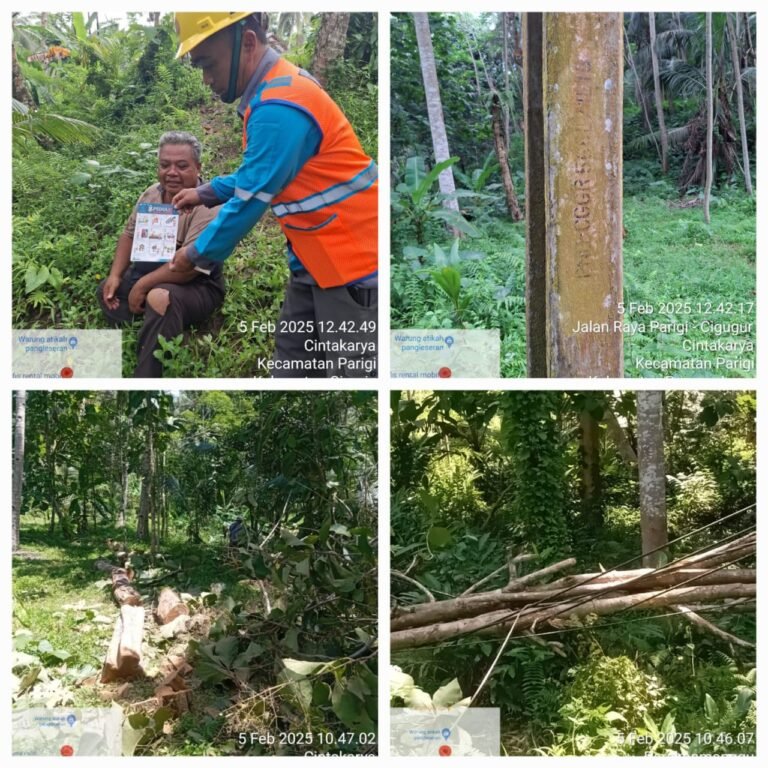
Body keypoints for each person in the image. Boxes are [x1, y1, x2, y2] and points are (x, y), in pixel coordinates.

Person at [170, 12, 378, 378]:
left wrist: (194, 255)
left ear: (247, 42)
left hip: (352, 271)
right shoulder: (276, 90)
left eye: (208, 64)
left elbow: (250, 198)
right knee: (291, 372)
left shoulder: (280, 103)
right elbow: (263, 174)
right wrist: (203, 192)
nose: (206, 80)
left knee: (352, 378)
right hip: (312, 265)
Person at [98, 131, 224, 377]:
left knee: (159, 297)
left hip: (195, 284)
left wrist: (142, 286)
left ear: (198, 167)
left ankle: (146, 373)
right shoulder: (152, 193)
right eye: (165, 165)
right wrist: (115, 275)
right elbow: (129, 234)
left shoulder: (209, 206)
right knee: (106, 290)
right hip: (147, 272)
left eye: (182, 165)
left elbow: (189, 267)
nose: (172, 172)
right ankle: (158, 321)